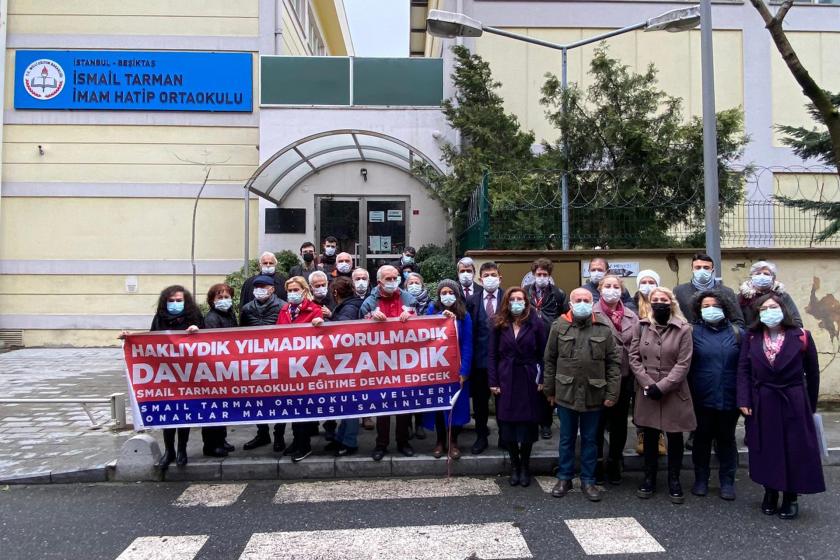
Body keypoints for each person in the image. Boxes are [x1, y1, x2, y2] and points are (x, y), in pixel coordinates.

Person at [737, 293, 824, 520]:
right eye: (763, 309)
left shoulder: (802, 336)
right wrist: (744, 399)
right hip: (763, 399)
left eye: (773, 307)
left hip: (794, 399)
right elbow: (744, 370)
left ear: (783, 309)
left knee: (794, 449)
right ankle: (770, 491)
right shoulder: (752, 337)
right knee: (766, 447)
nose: (768, 312)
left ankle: (791, 496)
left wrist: (809, 405)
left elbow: (813, 374)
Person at [545, 288, 621, 502]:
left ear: (592, 302)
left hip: (594, 393)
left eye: (586, 300)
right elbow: (550, 360)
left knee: (590, 440)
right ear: (570, 302)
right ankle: (564, 477)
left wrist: (612, 393)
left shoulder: (603, 329)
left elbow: (613, 363)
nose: (582, 303)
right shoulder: (559, 326)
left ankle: (589, 480)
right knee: (566, 438)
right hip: (565, 393)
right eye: (577, 300)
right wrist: (550, 391)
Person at [629, 286, 695, 504]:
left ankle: (674, 479)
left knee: (675, 437)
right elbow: (634, 358)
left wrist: (663, 386)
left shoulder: (684, 329)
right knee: (649, 437)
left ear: (671, 302)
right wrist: (648, 384)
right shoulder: (641, 325)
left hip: (673, 390)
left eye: (663, 299)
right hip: (648, 391)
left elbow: (683, 363)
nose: (659, 302)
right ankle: (649, 478)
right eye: (655, 299)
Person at [488, 287, 546, 488]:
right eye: (512, 299)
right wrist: (493, 381)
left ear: (526, 301)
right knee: (508, 424)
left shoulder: (536, 324)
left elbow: (543, 353)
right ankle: (514, 465)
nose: (516, 302)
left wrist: (543, 378)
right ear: (506, 302)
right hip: (506, 377)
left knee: (528, 425)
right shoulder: (498, 324)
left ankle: (525, 466)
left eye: (520, 299)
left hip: (529, 376)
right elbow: (492, 355)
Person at [688, 290, 743, 500]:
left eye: (714, 305)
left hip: (730, 397)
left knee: (726, 440)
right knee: (701, 439)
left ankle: (727, 481)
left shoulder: (738, 333)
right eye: (705, 306)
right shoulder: (692, 332)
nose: (710, 309)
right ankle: (701, 479)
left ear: (725, 307)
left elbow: (746, 368)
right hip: (701, 397)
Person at [360, 265, 417, 461]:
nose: (393, 281)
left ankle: (403, 442)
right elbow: (357, 330)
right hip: (380, 362)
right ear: (379, 282)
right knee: (382, 405)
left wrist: (412, 317)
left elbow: (423, 322)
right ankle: (381, 444)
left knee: (403, 404)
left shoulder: (408, 298)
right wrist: (370, 318)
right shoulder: (370, 302)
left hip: (404, 361)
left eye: (396, 277)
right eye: (389, 279)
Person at [149, 285, 202, 468]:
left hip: (187, 373)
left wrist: (197, 331)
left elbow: (207, 342)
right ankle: (168, 451)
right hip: (166, 373)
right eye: (171, 301)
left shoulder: (193, 317)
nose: (175, 304)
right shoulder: (159, 318)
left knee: (184, 413)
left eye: (179, 301)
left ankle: (182, 450)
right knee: (168, 414)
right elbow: (149, 341)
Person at [593, 275, 639, 485]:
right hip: (597, 377)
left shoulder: (632, 316)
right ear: (600, 289)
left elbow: (637, 346)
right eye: (607, 286)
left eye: (615, 286)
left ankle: (614, 461)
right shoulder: (592, 313)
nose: (612, 290)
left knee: (620, 423)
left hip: (624, 376)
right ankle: (597, 462)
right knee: (596, 422)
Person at [422, 279, 473, 459]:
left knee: (456, 407)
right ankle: (440, 440)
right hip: (437, 369)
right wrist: (440, 320)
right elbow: (425, 334)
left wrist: (464, 371)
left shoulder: (464, 315)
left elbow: (467, 344)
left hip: (456, 368)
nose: (447, 296)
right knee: (438, 407)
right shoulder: (432, 311)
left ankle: (453, 441)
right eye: (443, 293)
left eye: (450, 292)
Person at [276, 276, 325, 462]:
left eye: (296, 290)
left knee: (304, 407)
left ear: (304, 291)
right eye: (289, 290)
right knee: (293, 406)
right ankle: (297, 441)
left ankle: (304, 444)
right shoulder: (284, 310)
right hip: (288, 365)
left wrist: (319, 324)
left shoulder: (314, 310)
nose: (292, 294)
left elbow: (321, 336)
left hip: (307, 367)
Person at [240, 275, 286, 451]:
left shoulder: (283, 306)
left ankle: (279, 435)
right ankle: (262, 433)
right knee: (258, 398)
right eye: (257, 286)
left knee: (280, 399)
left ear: (272, 289)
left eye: (264, 286)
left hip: (277, 361)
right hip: (255, 362)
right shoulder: (246, 309)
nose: (260, 289)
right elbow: (241, 335)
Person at [525, 258, 569, 441]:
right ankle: (531, 421)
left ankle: (546, 423)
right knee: (530, 384)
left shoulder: (558, 294)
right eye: (538, 274)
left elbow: (565, 317)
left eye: (545, 274)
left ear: (549, 276)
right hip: (529, 343)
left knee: (547, 383)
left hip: (551, 343)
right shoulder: (525, 293)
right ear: (533, 275)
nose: (541, 277)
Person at [322, 276, 363, 456]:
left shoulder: (350, 307)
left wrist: (326, 322)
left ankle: (349, 442)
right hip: (347, 361)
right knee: (347, 404)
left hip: (350, 362)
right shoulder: (350, 305)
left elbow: (342, 329)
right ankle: (342, 437)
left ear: (335, 293)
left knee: (351, 404)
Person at [471, 261, 504, 453]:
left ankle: (504, 437)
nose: (490, 278)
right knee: (480, 404)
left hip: (503, 362)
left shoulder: (508, 298)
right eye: (486, 275)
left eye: (493, 274)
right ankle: (481, 437)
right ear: (480, 279)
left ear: (500, 277)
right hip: (480, 362)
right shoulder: (473, 301)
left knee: (503, 402)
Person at [202, 283, 238, 458]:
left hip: (226, 368)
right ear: (212, 300)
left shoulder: (230, 315)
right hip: (214, 369)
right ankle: (211, 444)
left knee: (223, 408)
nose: (224, 300)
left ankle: (221, 439)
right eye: (220, 297)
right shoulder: (211, 319)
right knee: (213, 408)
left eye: (227, 297)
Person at [673, 253, 744, 326]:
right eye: (698, 267)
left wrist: (726, 334)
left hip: (719, 335)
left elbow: (738, 321)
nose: (702, 270)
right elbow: (674, 318)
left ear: (712, 269)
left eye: (706, 267)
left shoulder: (727, 292)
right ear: (692, 269)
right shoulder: (679, 291)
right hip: (690, 336)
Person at [738, 260, 803, 328]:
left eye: (766, 274)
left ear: (773, 278)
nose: (761, 276)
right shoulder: (742, 298)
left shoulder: (782, 296)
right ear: (752, 277)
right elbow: (738, 323)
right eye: (758, 274)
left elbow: (797, 321)